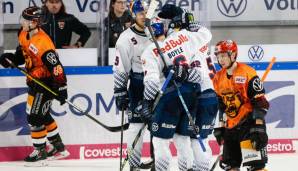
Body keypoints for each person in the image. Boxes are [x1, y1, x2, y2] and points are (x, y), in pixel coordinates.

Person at [140, 4, 212, 170]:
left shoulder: (150, 51)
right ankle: (187, 168)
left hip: (169, 97)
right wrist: (195, 26)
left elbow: (151, 82)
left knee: (160, 141)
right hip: (191, 94)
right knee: (183, 139)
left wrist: (146, 103)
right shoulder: (186, 37)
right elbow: (206, 35)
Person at [0, 6, 69, 164]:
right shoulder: (23, 32)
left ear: (35, 22)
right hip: (34, 80)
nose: (22, 22)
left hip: (46, 83)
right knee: (42, 114)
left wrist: (62, 88)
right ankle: (58, 147)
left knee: (34, 117)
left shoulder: (43, 44)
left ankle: (40, 151)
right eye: (23, 18)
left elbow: (56, 67)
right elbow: (22, 53)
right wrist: (11, 59)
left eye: (26, 20)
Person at [212, 40, 269, 171]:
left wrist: (258, 127)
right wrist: (221, 126)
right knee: (231, 167)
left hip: (249, 125)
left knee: (256, 167)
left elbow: (260, 102)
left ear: (233, 55)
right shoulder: (218, 77)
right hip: (231, 127)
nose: (220, 59)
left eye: (223, 55)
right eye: (218, 56)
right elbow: (222, 105)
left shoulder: (247, 72)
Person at [112, 0, 151, 170]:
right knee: (136, 126)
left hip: (158, 85)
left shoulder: (156, 32)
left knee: (158, 129)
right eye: (141, 13)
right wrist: (120, 91)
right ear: (134, 15)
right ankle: (134, 164)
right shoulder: (125, 38)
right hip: (138, 85)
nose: (144, 16)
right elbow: (121, 68)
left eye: (146, 12)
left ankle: (158, 162)